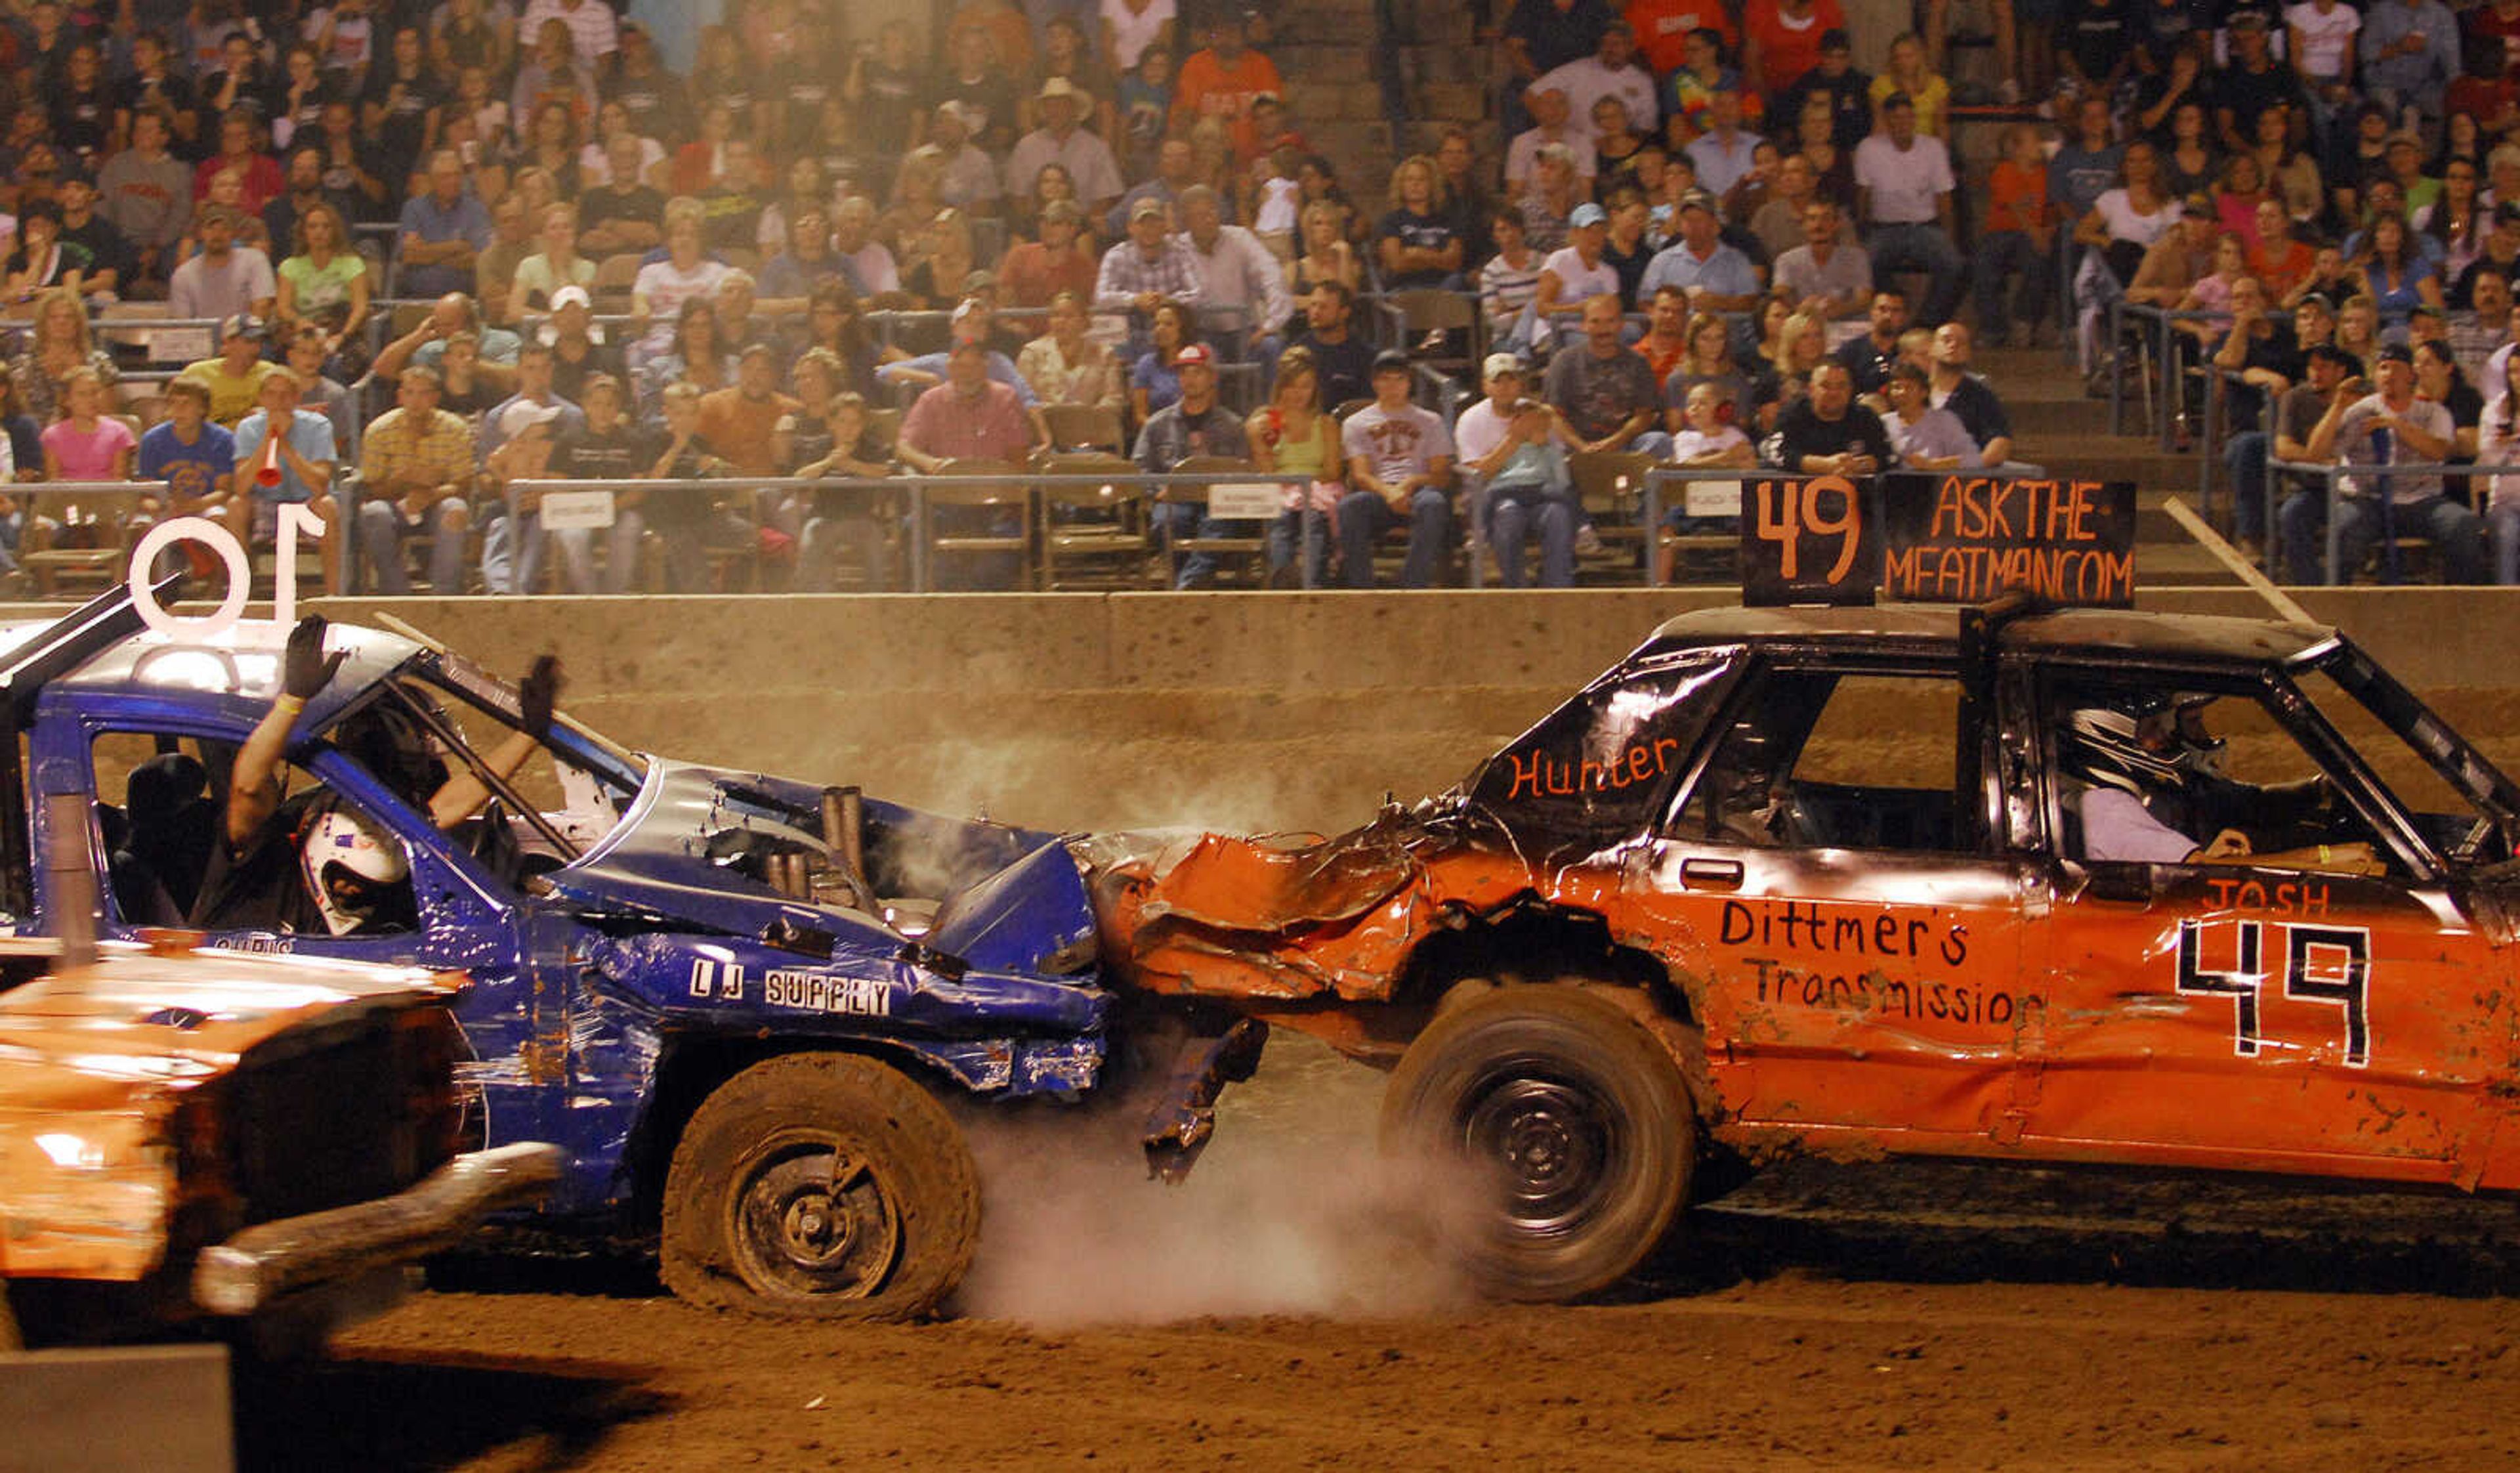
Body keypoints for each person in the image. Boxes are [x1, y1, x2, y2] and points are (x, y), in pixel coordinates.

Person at [193, 614, 562, 934]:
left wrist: (528, 736)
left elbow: (445, 808)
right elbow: (247, 787)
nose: (355, 895)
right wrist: (293, 702)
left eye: (366, 888)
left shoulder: (373, 830)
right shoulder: (262, 867)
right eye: (350, 884)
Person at [2059, 689, 2380, 872]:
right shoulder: (2106, 809)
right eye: (2152, 731)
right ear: (2111, 740)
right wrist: (2325, 858)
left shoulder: (2100, 800)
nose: (2165, 739)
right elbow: (2205, 874)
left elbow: (2195, 865)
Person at [2292, 341, 2488, 583]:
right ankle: (2333, 603)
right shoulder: (2359, 411)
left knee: (2463, 525)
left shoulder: (2432, 412)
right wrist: (2337, 407)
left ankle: (2461, 604)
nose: (2389, 374)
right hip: (2366, 501)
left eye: (2396, 368)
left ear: (2411, 376)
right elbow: (2316, 453)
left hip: (2422, 502)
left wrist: (2396, 424)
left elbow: (2439, 452)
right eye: (2383, 368)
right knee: (2343, 530)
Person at [1337, 349, 1456, 587]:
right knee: (1349, 507)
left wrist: (1410, 483)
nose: (1393, 385)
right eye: (1385, 379)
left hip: (1421, 492)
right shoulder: (1356, 423)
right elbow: (1360, 475)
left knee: (1434, 503)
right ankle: (1362, 587)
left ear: (1409, 383)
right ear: (1375, 383)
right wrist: (1389, 492)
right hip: (1378, 493)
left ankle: (1414, 584)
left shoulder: (1431, 421)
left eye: (1399, 378)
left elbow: (1441, 475)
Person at [358, 364, 477, 595]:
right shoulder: (380, 430)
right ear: (400, 396)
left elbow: (463, 484)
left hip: (438, 503)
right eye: (410, 393)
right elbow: (371, 488)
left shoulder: (454, 429)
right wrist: (402, 482)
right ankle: (396, 595)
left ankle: (445, 595)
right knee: (374, 513)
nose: (416, 400)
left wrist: (432, 494)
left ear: (435, 397)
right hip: (394, 504)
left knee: (456, 510)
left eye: (424, 393)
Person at [1853, 92, 1962, 326]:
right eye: (1895, 118)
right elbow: (1863, 196)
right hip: (1885, 229)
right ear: (1886, 121)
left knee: (1954, 265)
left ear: (1914, 119)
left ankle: (1926, 324)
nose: (1902, 124)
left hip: (1925, 227)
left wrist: (1949, 235)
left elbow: (1944, 197)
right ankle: (1892, 318)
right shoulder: (1869, 148)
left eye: (1907, 117)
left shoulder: (1933, 148)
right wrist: (1861, 233)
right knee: (1865, 265)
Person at [231, 367, 343, 593]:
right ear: (261, 398)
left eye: (285, 394)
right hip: (266, 503)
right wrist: (268, 440)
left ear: (296, 398)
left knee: (328, 506)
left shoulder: (319, 426)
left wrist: (284, 445)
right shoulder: (248, 428)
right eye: (271, 394)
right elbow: (241, 487)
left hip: (307, 502)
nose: (278, 401)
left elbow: (319, 487)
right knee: (236, 506)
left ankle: (335, 596)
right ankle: (240, 593)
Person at [1547, 294, 1674, 458]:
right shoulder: (1565, 361)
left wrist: (1616, 442)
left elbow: (1644, 415)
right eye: (1595, 321)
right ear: (1584, 325)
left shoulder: (1638, 363)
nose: (1603, 328)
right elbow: (1553, 414)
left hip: (1625, 445)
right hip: (1575, 447)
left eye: (1610, 321)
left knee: (1660, 441)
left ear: (1621, 325)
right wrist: (1582, 447)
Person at [137, 378, 236, 536]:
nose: (178, 410)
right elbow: (146, 493)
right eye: (173, 403)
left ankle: (213, 561)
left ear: (202, 409)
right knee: (142, 525)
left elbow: (224, 491)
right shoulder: (152, 440)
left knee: (219, 517)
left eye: (186, 403)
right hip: (165, 507)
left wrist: (194, 505)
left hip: (206, 506)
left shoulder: (223, 440)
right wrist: (163, 508)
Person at [1767, 360, 1895, 473]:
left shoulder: (1865, 417)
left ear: (1851, 390)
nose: (1834, 393)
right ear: (1811, 390)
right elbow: (1776, 454)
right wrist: (1822, 465)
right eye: (1826, 386)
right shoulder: (1793, 415)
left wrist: (1866, 465)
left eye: (1841, 386)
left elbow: (1889, 456)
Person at [1771, 198, 1871, 321]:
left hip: (1844, 322)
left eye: (1826, 218)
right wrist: (1799, 309)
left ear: (1837, 224)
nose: (1818, 225)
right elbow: (1779, 295)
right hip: (1802, 324)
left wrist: (1843, 308)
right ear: (1803, 225)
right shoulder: (1786, 260)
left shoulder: (1857, 257)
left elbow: (1864, 300)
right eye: (1812, 219)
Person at [177, 314, 284, 427]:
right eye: (249, 342)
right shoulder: (197, 373)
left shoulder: (269, 373)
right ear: (228, 342)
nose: (256, 348)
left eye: (260, 342)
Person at [1879, 360, 1978, 469]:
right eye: (1897, 387)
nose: (1902, 393)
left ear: (1924, 392)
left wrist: (1933, 465)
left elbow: (1973, 459)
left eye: (1909, 387)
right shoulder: (1882, 423)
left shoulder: (1944, 421)